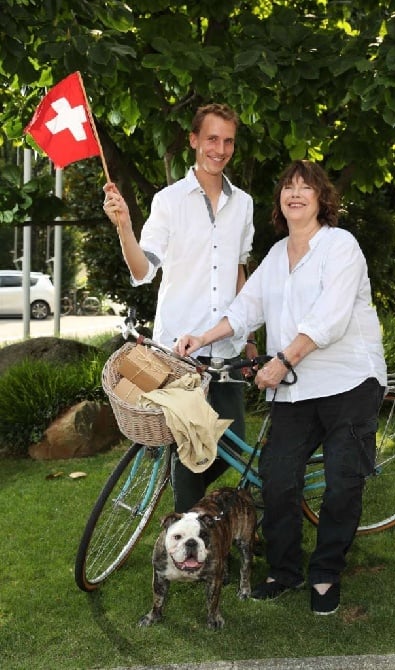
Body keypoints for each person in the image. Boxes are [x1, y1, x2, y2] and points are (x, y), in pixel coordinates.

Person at [175, 159, 387, 615]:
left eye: (305, 187)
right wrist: (203, 336)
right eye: (288, 187)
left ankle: (326, 571)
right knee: (277, 478)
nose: (295, 193)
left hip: (348, 380)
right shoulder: (275, 255)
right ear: (281, 201)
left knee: (342, 483)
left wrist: (284, 359)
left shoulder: (340, 246)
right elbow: (246, 307)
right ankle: (285, 570)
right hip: (295, 388)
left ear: (321, 198)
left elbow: (329, 318)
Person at [103, 103, 257, 513]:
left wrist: (251, 336)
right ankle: (189, 537)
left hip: (225, 345)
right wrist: (124, 227)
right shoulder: (168, 201)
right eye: (211, 138)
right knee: (191, 445)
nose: (219, 149)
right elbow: (143, 268)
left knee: (231, 441)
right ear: (193, 141)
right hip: (178, 352)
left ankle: (185, 508)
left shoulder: (243, 204)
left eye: (227, 141)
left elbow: (239, 271)